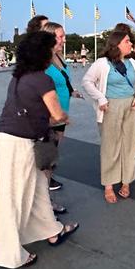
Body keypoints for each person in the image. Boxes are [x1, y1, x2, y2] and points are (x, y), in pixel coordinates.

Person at [0, 30, 79, 269]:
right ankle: (8, 255)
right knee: (13, 198)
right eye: (53, 47)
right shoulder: (42, 79)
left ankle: (51, 230)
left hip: (14, 138)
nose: (56, 50)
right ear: (43, 52)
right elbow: (56, 113)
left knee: (39, 187)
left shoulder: (19, 76)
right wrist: (63, 118)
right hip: (18, 143)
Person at [82, 30, 135, 203]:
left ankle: (126, 181)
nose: (131, 44)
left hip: (130, 106)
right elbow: (87, 81)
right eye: (127, 42)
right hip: (111, 106)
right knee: (111, 145)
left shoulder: (132, 62)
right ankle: (109, 184)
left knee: (130, 144)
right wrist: (101, 98)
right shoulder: (103, 63)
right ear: (116, 44)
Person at [43, 21, 82, 206]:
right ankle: (45, 204)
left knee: (52, 156)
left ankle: (45, 199)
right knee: (47, 159)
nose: (64, 40)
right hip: (50, 118)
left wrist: (72, 91)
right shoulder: (42, 61)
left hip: (60, 115)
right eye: (61, 36)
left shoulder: (58, 57)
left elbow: (63, 79)